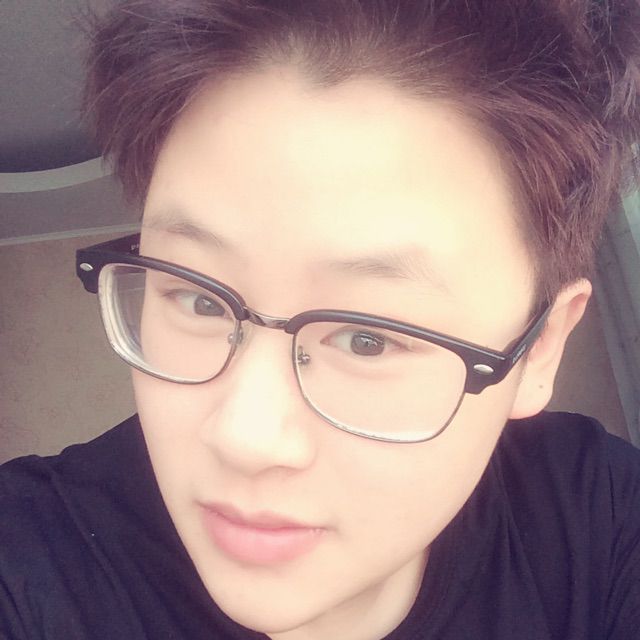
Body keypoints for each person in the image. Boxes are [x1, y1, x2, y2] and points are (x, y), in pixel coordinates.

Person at [2, 0, 640, 638]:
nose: (245, 438)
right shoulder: (31, 561)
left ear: (539, 348)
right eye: (199, 299)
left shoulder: (601, 518)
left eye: (368, 340)